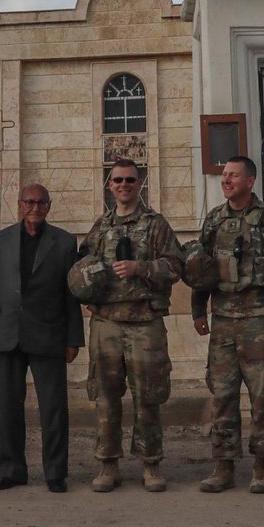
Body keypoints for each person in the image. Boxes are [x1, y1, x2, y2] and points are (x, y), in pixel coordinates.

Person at [186, 155, 264, 496]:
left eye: (233, 175)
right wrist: (199, 311)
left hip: (260, 322)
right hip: (223, 323)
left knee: (262, 397)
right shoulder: (214, 220)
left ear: (250, 181)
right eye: (224, 175)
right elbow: (202, 269)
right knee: (222, 396)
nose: (226, 180)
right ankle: (223, 466)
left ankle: (261, 466)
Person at [68, 157, 184, 493]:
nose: (124, 185)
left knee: (147, 395)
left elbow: (177, 266)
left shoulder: (155, 224)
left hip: (145, 322)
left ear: (140, 182)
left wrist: (141, 268)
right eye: (117, 180)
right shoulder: (100, 227)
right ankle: (108, 464)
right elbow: (82, 267)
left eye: (130, 180)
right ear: (110, 185)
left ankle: (151, 464)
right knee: (105, 397)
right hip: (106, 324)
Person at [0, 183, 84, 494]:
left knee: (53, 408)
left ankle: (55, 472)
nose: (35, 207)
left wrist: (73, 339)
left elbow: (72, 295)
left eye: (41, 202)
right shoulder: (1, 241)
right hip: (8, 334)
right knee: (9, 407)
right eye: (29, 202)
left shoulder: (65, 242)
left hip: (49, 333)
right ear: (19, 204)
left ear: (49, 206)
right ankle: (12, 470)